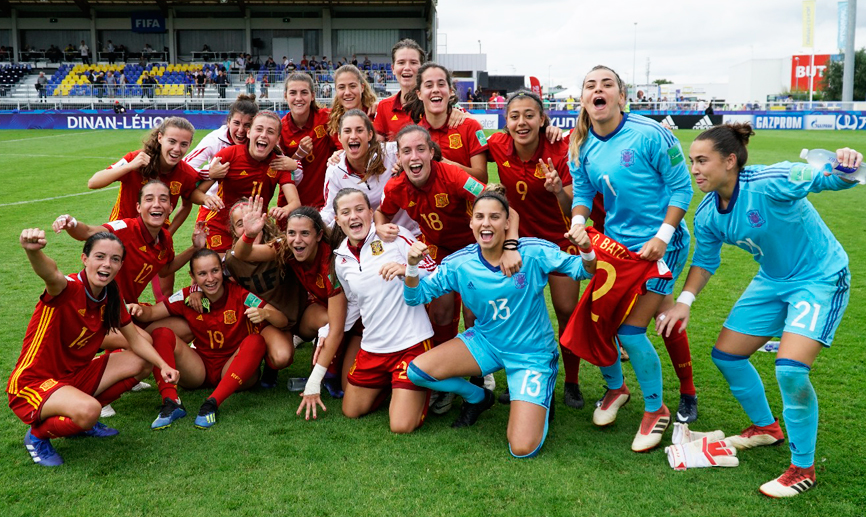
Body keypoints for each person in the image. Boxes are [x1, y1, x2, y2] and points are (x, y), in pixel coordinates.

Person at [657, 124, 860, 497]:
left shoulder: (772, 179)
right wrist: (684, 302)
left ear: (730, 161)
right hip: (772, 280)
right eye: (692, 161)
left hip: (819, 278)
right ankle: (766, 428)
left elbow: (830, 179)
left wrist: (846, 163)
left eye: (702, 161)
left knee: (791, 372)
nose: (694, 169)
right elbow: (704, 259)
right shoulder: (706, 214)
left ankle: (803, 468)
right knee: (727, 356)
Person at [404, 191, 596, 455]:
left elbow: (584, 270)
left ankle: (542, 393)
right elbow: (415, 297)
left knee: (521, 448)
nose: (486, 223)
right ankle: (478, 396)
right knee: (417, 372)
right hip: (486, 343)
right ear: (471, 223)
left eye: (495, 217)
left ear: (507, 223)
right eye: (480, 217)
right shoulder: (460, 263)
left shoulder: (532, 252)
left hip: (531, 354)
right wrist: (412, 267)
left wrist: (585, 248)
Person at [567, 65, 695, 452]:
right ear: (584, 99)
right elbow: (584, 192)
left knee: (630, 330)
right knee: (597, 320)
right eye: (591, 86)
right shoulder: (581, 145)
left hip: (662, 247)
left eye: (607, 84)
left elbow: (681, 188)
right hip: (617, 248)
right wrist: (577, 221)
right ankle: (616, 388)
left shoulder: (651, 133)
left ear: (622, 96)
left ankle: (656, 410)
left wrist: (663, 236)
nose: (598, 90)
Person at [375, 124, 522, 412]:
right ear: (399, 158)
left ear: (431, 152)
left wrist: (509, 247)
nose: (414, 156)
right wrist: (380, 225)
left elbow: (505, 209)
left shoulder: (453, 175)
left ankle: (481, 372)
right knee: (440, 311)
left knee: (472, 311)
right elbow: (381, 211)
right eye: (406, 151)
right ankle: (446, 375)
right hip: (437, 252)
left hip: (473, 250)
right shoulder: (395, 186)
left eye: (420, 149)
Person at [9, 230, 179, 466]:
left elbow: (136, 340)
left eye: (115, 259)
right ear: (84, 259)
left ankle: (79, 421)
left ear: (120, 265)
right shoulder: (68, 288)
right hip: (34, 381)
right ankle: (37, 435)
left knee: (142, 362)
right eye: (100, 256)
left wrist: (163, 365)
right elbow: (51, 274)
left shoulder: (110, 295)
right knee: (90, 411)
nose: (107, 264)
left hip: (73, 376)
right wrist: (32, 250)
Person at [486, 89, 593, 408]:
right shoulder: (497, 144)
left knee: (565, 311)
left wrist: (558, 190)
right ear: (506, 122)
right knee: (516, 313)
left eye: (529, 115)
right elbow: (466, 147)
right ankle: (516, 378)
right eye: (514, 116)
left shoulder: (560, 148)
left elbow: (577, 203)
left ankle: (571, 382)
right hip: (519, 246)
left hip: (561, 243)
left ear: (543, 119)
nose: (522, 122)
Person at [129, 249, 286, 429]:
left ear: (223, 269)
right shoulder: (188, 296)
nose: (210, 279)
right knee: (161, 333)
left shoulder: (240, 295)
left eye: (215, 271)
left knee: (256, 341)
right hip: (199, 369)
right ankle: (171, 403)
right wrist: (139, 309)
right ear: (193, 276)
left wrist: (265, 313)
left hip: (233, 368)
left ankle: (212, 403)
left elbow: (281, 319)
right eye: (202, 274)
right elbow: (152, 313)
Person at [327, 188, 436, 433]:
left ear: (370, 212)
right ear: (337, 219)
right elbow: (355, 303)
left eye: (359, 209)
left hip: (411, 342)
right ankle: (393, 384)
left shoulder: (395, 236)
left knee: (400, 426)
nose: (353, 216)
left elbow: (437, 273)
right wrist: (328, 331)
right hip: (373, 347)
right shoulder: (341, 259)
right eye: (345, 212)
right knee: (350, 411)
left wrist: (407, 268)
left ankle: (416, 383)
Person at [234, 202, 355, 401]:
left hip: (347, 316)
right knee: (329, 322)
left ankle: (330, 373)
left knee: (334, 328)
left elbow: (337, 327)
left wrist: (316, 378)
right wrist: (248, 234)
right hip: (303, 313)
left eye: (305, 234)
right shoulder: (287, 248)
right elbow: (243, 253)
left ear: (318, 236)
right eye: (291, 233)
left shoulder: (330, 263)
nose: (297, 240)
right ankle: (275, 365)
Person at [196, 111, 301, 253]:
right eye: (259, 129)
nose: (263, 135)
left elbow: (295, 203)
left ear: (277, 139)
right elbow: (196, 193)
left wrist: (284, 210)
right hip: (220, 227)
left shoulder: (280, 163)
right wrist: (206, 198)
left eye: (270, 132)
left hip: (256, 229)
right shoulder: (229, 155)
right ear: (249, 133)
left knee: (251, 269)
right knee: (218, 272)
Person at [88, 117, 201, 236]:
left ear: (190, 145)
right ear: (160, 138)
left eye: (183, 144)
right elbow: (93, 182)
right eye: (172, 141)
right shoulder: (135, 158)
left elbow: (186, 205)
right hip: (122, 233)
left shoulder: (187, 174)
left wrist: (168, 233)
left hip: (155, 237)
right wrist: (130, 166)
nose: (177, 149)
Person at [321, 109, 417, 233]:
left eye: (359, 130)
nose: (353, 136)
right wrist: (312, 225)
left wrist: (407, 163)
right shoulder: (335, 170)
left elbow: (424, 150)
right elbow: (330, 211)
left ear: (370, 135)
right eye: (347, 131)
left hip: (407, 233)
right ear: (339, 137)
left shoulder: (393, 153)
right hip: (367, 240)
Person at [405, 63, 488, 182]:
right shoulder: (413, 135)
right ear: (419, 94)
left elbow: (482, 178)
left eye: (441, 84)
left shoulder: (471, 126)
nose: (435, 90)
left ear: (450, 91)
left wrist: (445, 165)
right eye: (429, 85)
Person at [278, 72, 337, 209]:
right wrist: (298, 155)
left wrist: (372, 105)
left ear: (312, 96)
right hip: (291, 205)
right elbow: (280, 170)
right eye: (293, 93)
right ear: (286, 96)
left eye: (304, 92)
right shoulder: (279, 129)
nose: (299, 98)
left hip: (324, 204)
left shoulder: (327, 118)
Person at [373, 39, 425, 142]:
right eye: (401, 63)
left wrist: (459, 113)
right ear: (393, 69)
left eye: (413, 62)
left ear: (422, 68)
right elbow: (377, 148)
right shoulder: (384, 107)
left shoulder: (432, 103)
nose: (407, 68)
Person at [326, 65, 378, 147]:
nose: (347, 92)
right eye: (341, 87)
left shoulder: (376, 114)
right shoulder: (330, 119)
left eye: (352, 86)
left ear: (362, 87)